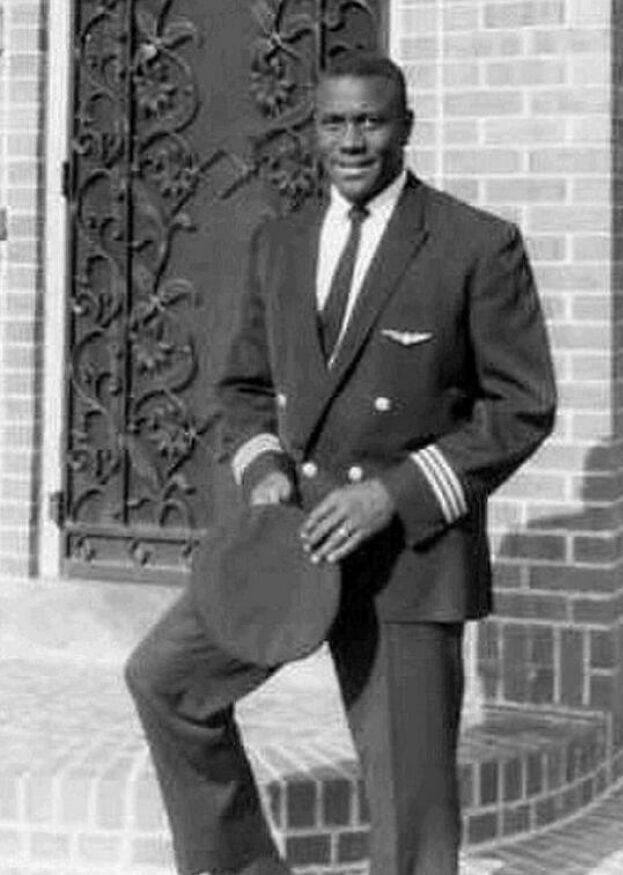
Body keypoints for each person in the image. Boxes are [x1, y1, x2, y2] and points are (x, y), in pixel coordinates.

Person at [125, 52, 557, 875]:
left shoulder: (475, 244)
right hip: (292, 549)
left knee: (409, 815)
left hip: (408, 558)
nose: (352, 140)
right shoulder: (278, 243)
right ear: (314, 129)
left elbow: (522, 407)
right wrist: (264, 475)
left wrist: (391, 496)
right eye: (335, 122)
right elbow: (243, 386)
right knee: (166, 683)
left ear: (405, 128)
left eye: (371, 121)